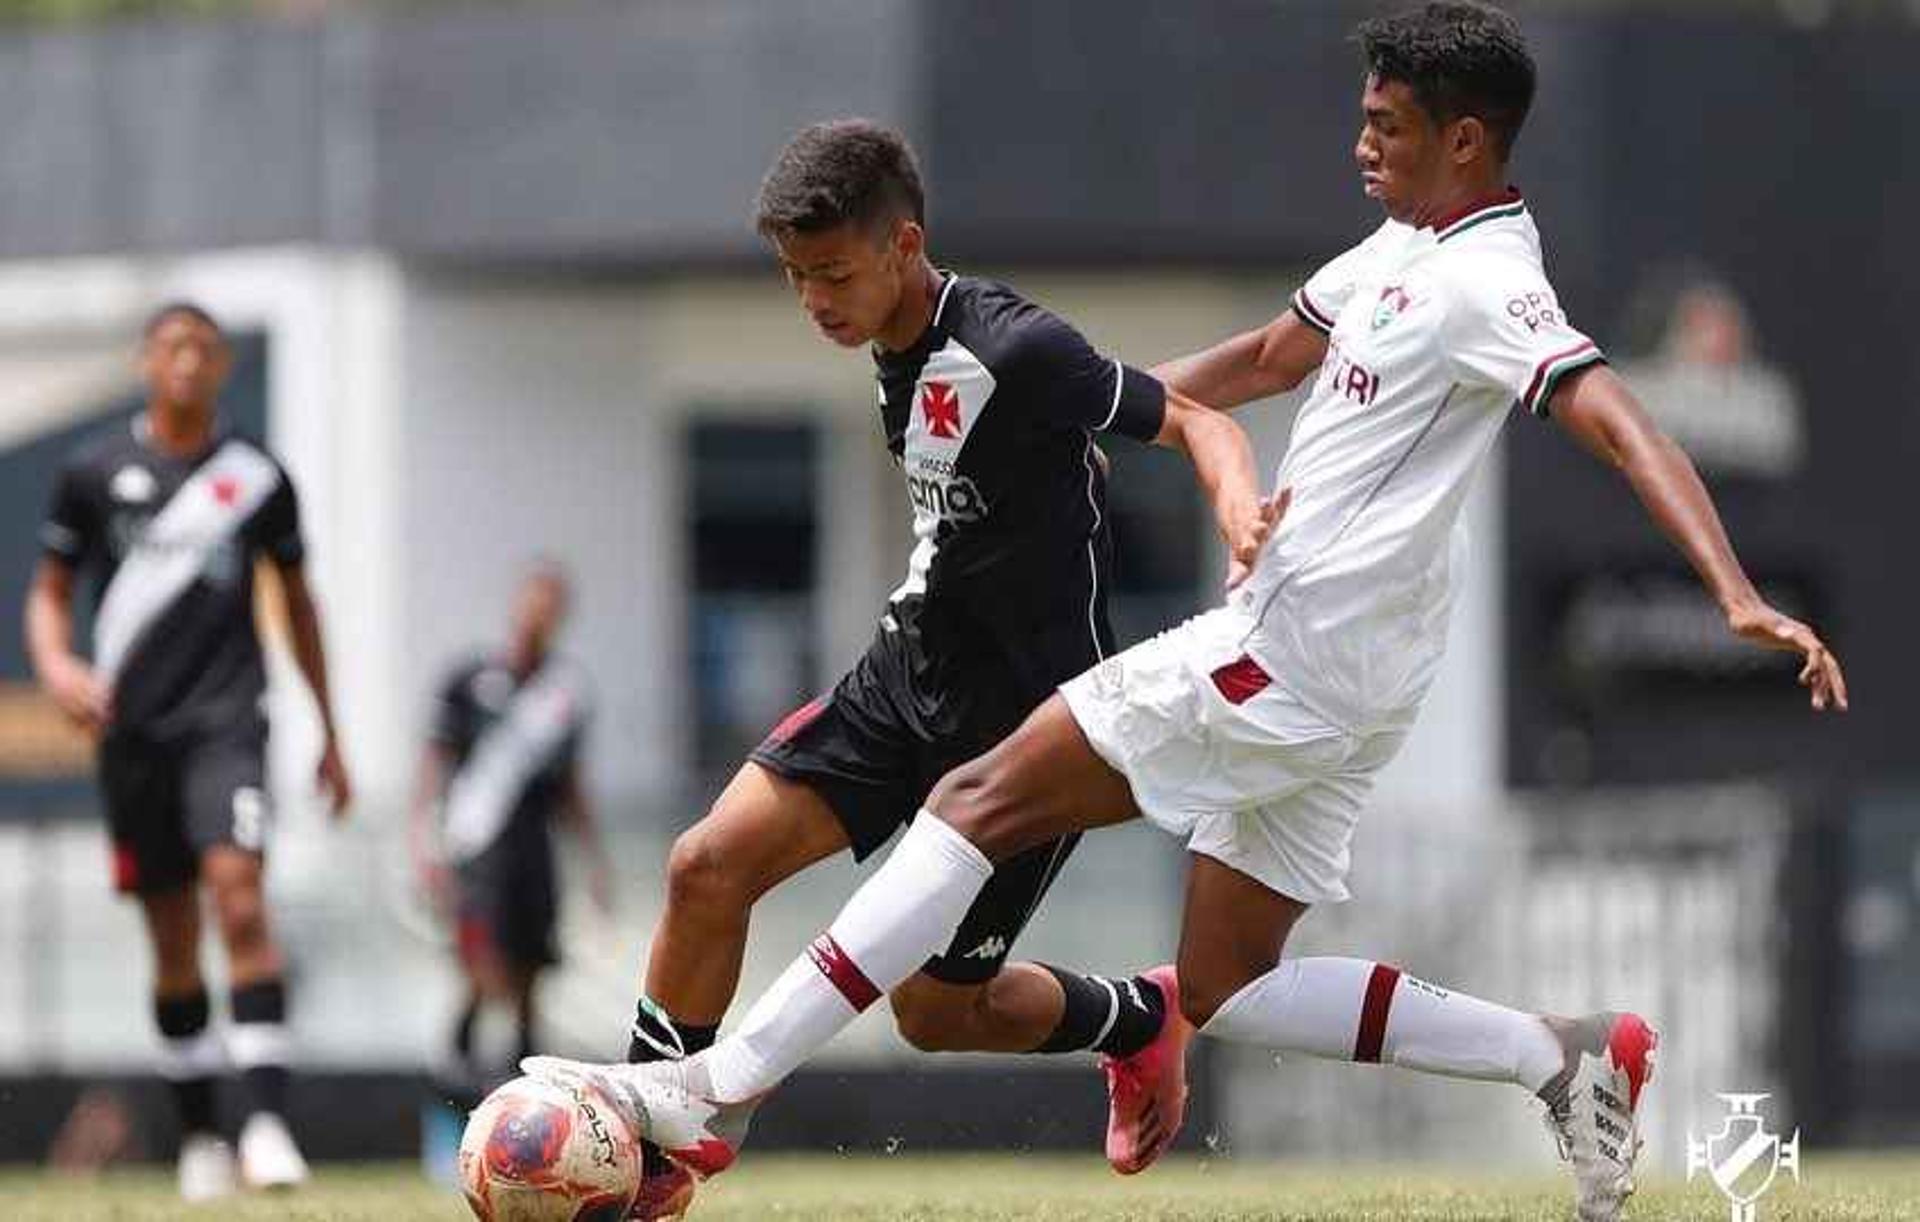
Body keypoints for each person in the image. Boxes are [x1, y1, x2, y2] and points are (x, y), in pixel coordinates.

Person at [526, 8, 1849, 1222]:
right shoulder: (1404, 245)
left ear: (1464, 138)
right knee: (1224, 986)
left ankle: (712, 1097)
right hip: (1352, 670)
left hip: (1288, 650)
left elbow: (1610, 411)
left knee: (975, 802)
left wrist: (1731, 590)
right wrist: (1074, 414)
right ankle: (1559, 1051)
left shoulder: (1489, 280)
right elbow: (1275, 354)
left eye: (1385, 125)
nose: (1361, 142)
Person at [602, 119, 1275, 1218]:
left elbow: (1197, 418)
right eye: (793, 276)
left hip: (1031, 732)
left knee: (935, 1011)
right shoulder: (891, 345)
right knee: (704, 867)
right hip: (904, 672)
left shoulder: (1015, 345)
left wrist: (1239, 518)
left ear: (904, 244)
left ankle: (1139, 1019)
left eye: (831, 273)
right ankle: (637, 1146)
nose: (814, 299)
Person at [25, 301, 353, 1200]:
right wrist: (58, 667)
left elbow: (301, 602)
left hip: (228, 722)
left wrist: (329, 729)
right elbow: (49, 594)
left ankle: (269, 1129)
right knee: (172, 940)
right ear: (144, 361)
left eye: (205, 348)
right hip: (133, 740)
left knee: (241, 901)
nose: (188, 361)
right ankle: (203, 1136)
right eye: (173, 346)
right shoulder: (93, 474)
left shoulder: (255, 478)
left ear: (218, 368)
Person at [411, 561, 610, 1089]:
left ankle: (525, 1108)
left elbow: (571, 784)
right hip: (475, 846)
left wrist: (594, 861)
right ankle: (451, 1091)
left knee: (529, 977)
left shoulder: (566, 692)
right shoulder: (469, 679)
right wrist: (423, 843)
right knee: (480, 967)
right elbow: (434, 763)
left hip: (533, 848)